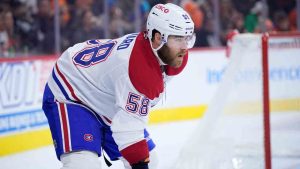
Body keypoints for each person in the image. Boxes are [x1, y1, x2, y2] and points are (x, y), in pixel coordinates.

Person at [42, 3, 195, 169]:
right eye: (178, 39)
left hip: (106, 97)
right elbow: (129, 131)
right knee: (83, 164)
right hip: (73, 90)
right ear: (158, 38)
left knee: (151, 161)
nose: (184, 48)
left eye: (187, 39)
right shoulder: (138, 69)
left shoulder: (163, 54)